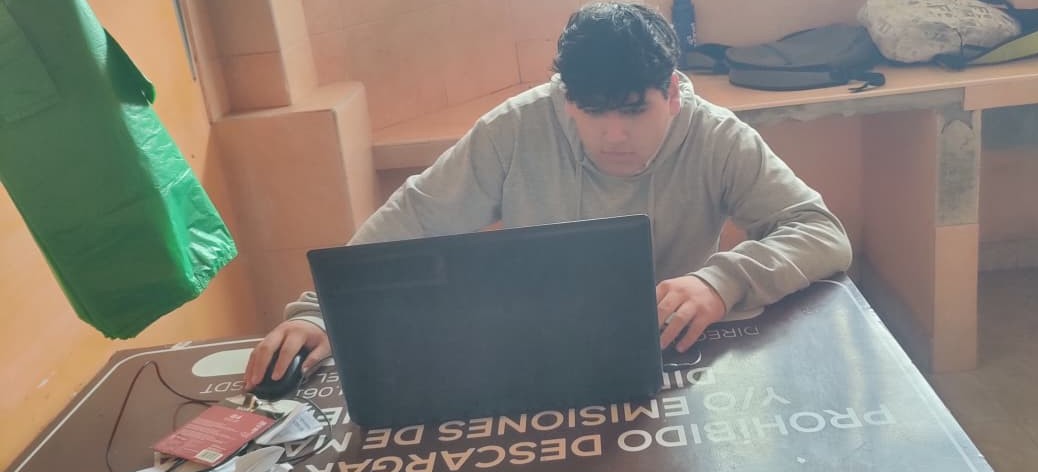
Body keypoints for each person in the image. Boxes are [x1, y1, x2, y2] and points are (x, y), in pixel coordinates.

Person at [243, 1, 852, 390]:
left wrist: (721, 281)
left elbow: (820, 231)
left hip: (675, 358)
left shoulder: (717, 136)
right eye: (593, 111)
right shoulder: (513, 129)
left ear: (670, 92)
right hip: (537, 357)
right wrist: (320, 312)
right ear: (566, 96)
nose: (614, 135)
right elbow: (416, 217)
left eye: (633, 110)